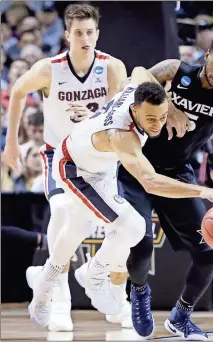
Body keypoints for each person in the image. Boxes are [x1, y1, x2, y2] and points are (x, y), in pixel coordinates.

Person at [27, 69, 213, 336]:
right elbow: (151, 182)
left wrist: (169, 108)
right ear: (134, 110)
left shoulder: (139, 93)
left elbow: (138, 72)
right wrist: (201, 192)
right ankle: (93, 274)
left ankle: (45, 283)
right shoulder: (122, 134)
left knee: (77, 229)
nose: (157, 124)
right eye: (150, 118)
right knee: (133, 227)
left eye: (161, 117)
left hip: (100, 166)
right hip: (75, 170)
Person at [3, 3, 127, 332]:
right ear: (67, 36)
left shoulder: (112, 68)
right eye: (78, 33)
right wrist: (11, 143)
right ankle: (60, 300)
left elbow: (127, 109)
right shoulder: (50, 68)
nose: (85, 38)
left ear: (97, 34)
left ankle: (111, 292)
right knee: (61, 215)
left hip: (100, 160)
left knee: (124, 228)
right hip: (59, 157)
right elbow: (16, 91)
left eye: (90, 32)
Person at [117, 32, 213, 340]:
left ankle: (181, 316)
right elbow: (139, 75)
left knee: (207, 255)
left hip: (178, 174)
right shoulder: (177, 70)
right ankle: (138, 292)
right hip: (139, 167)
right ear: (207, 55)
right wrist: (169, 104)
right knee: (142, 243)